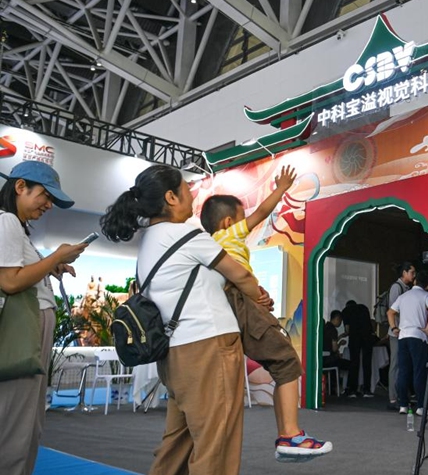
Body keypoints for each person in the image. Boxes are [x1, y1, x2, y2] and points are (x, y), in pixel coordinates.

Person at [100, 165, 264, 475]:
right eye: (187, 191)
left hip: (175, 355)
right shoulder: (187, 234)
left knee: (177, 445)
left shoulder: (149, 240)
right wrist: (259, 295)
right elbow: (240, 274)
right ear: (171, 197)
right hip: (208, 347)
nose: (192, 197)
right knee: (216, 445)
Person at [200, 165, 332, 461]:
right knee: (286, 362)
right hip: (242, 304)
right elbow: (261, 213)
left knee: (279, 364)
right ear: (228, 221)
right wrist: (282, 188)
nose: (246, 224)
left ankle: (289, 433)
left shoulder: (209, 246)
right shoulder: (227, 233)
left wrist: (257, 295)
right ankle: (290, 435)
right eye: (241, 220)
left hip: (235, 306)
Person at [0, 161, 86, 475]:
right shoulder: (7, 220)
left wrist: (51, 266)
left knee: (22, 419)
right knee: (17, 423)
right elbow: (9, 281)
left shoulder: (13, 225)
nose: (48, 205)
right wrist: (55, 257)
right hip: (25, 327)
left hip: (29, 327)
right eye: (45, 195)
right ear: (20, 187)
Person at [387, 270, 428, 416]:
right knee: (419, 371)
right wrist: (427, 329)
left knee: (403, 371)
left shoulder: (403, 296)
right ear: (427, 286)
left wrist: (394, 328)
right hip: (418, 336)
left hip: (403, 336)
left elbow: (390, 312)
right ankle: (421, 406)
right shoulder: (426, 295)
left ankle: (403, 404)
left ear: (415, 282)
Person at [386, 262, 415, 410]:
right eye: (411, 272)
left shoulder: (407, 288)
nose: (413, 275)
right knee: (396, 364)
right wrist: (395, 327)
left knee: (403, 364)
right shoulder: (396, 288)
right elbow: (393, 310)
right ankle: (393, 397)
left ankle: (403, 394)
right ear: (404, 273)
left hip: (404, 332)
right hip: (396, 331)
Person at [342, 301, 375, 397]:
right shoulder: (364, 308)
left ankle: (352, 390)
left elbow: (347, 329)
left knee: (354, 362)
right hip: (367, 337)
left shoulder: (346, 311)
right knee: (367, 363)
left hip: (355, 337)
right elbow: (371, 323)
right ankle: (366, 390)